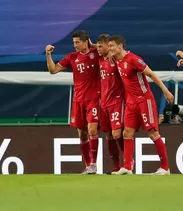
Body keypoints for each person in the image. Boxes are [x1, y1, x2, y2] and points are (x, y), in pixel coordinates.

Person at [108, 35, 174, 175]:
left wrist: (166, 91)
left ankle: (165, 168)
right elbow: (100, 48)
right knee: (127, 132)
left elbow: (151, 74)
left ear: (120, 46)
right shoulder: (116, 58)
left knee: (152, 133)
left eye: (112, 46)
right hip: (131, 103)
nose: (110, 49)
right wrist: (91, 44)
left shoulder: (134, 60)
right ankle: (127, 167)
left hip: (144, 101)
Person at [46, 30, 100, 174]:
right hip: (78, 100)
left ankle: (94, 163)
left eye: (78, 42)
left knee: (92, 130)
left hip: (93, 99)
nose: (75, 45)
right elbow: (53, 70)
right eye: (74, 43)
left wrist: (92, 44)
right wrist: (48, 54)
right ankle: (89, 165)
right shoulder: (72, 57)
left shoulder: (96, 54)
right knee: (82, 134)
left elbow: (106, 50)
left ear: (85, 41)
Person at [96, 34, 124, 173]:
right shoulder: (99, 60)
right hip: (104, 103)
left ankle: (129, 161)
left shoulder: (117, 59)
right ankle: (116, 166)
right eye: (97, 46)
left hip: (117, 101)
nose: (98, 49)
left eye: (101, 46)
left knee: (117, 133)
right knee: (109, 135)